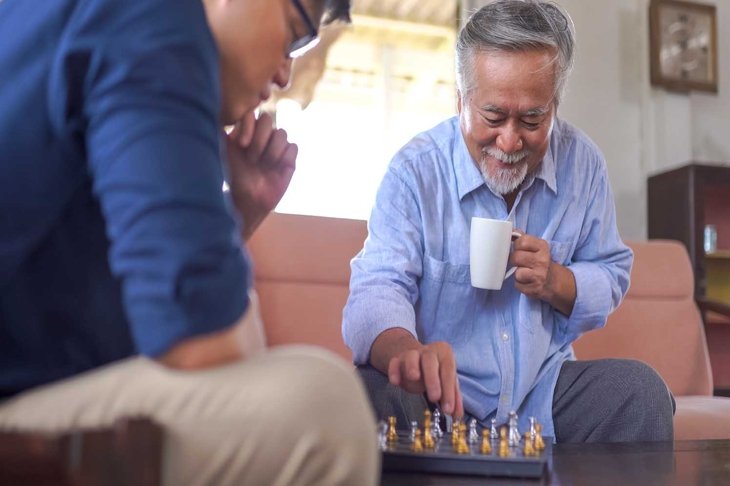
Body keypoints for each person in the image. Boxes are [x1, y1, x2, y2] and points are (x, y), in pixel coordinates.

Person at [0, 0, 378, 484]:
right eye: (295, 33)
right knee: (324, 410)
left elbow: (132, 318)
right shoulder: (153, 19)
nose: (286, 72)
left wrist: (239, 212)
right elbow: (204, 349)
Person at [343, 0, 674, 443]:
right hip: (436, 400)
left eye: (533, 118)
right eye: (493, 116)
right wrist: (407, 353)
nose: (510, 140)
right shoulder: (414, 173)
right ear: (460, 100)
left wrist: (558, 280)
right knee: (366, 389)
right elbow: (378, 286)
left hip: (541, 394)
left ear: (554, 105)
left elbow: (611, 270)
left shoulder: (583, 164)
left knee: (641, 393)